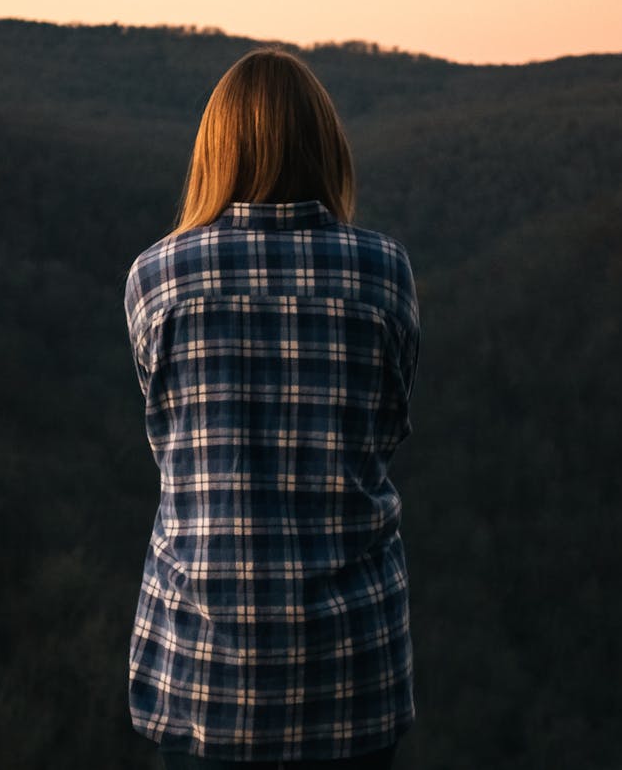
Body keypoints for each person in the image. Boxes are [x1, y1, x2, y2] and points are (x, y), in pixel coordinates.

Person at [123, 47, 420, 769]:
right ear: (327, 149)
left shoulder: (155, 278)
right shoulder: (383, 272)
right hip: (352, 674)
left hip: (203, 674)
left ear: (214, 152)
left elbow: (170, 447)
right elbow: (386, 429)